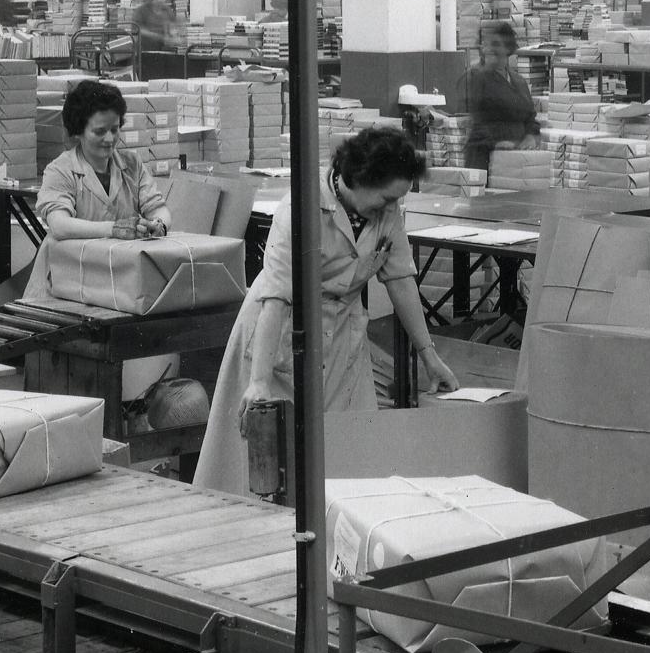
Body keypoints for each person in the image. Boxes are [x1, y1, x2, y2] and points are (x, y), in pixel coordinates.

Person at [194, 123, 461, 497]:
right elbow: (276, 296)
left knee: (348, 459)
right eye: (387, 199)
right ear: (357, 179)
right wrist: (259, 380)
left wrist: (428, 355)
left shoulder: (385, 213)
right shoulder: (300, 209)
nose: (393, 207)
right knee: (261, 460)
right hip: (282, 332)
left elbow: (400, 280)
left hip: (341, 339)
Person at [37, 77, 168, 244]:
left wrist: (159, 226)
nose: (109, 138)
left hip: (117, 263)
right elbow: (59, 225)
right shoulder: (60, 170)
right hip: (70, 266)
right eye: (99, 131)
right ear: (78, 131)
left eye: (114, 129)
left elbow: (158, 208)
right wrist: (114, 229)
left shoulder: (132, 164)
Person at [448, 19, 539, 172]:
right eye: (486, 43)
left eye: (496, 44)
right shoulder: (473, 77)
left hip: (514, 162)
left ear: (508, 48)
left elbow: (530, 117)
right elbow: (474, 121)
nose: (489, 48)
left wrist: (531, 135)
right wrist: (496, 143)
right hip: (483, 158)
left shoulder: (519, 81)